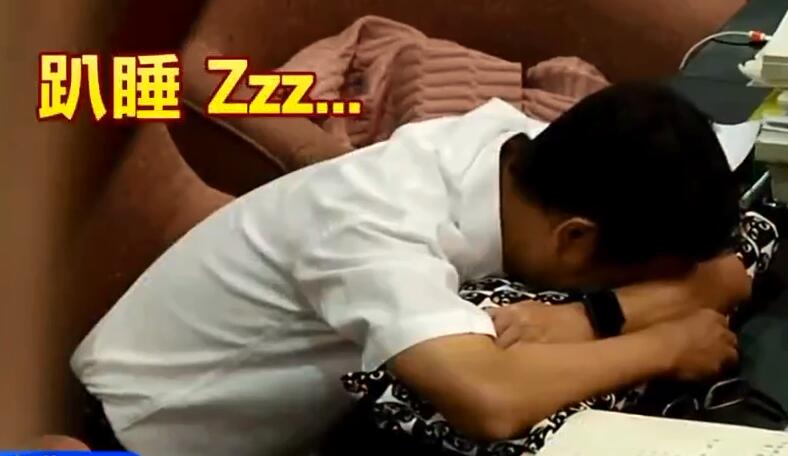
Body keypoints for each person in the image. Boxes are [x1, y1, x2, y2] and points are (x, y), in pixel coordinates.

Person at [72, 82, 749, 455]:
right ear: (574, 239)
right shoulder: (376, 225)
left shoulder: (509, 149)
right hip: (138, 434)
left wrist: (617, 307)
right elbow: (490, 400)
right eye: (633, 273)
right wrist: (665, 343)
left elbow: (726, 270)